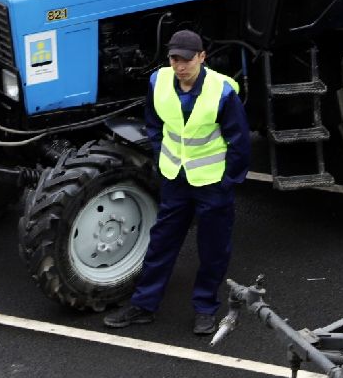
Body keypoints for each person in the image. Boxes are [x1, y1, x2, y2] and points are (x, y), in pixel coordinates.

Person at [103, 29, 250, 336]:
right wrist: (162, 158)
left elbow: (239, 142)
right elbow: (154, 124)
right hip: (175, 180)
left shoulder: (222, 92)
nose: (180, 66)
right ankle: (143, 306)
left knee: (213, 250)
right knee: (161, 243)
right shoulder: (158, 82)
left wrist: (227, 181)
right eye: (174, 59)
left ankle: (205, 309)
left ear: (201, 57)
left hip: (212, 184)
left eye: (186, 59)